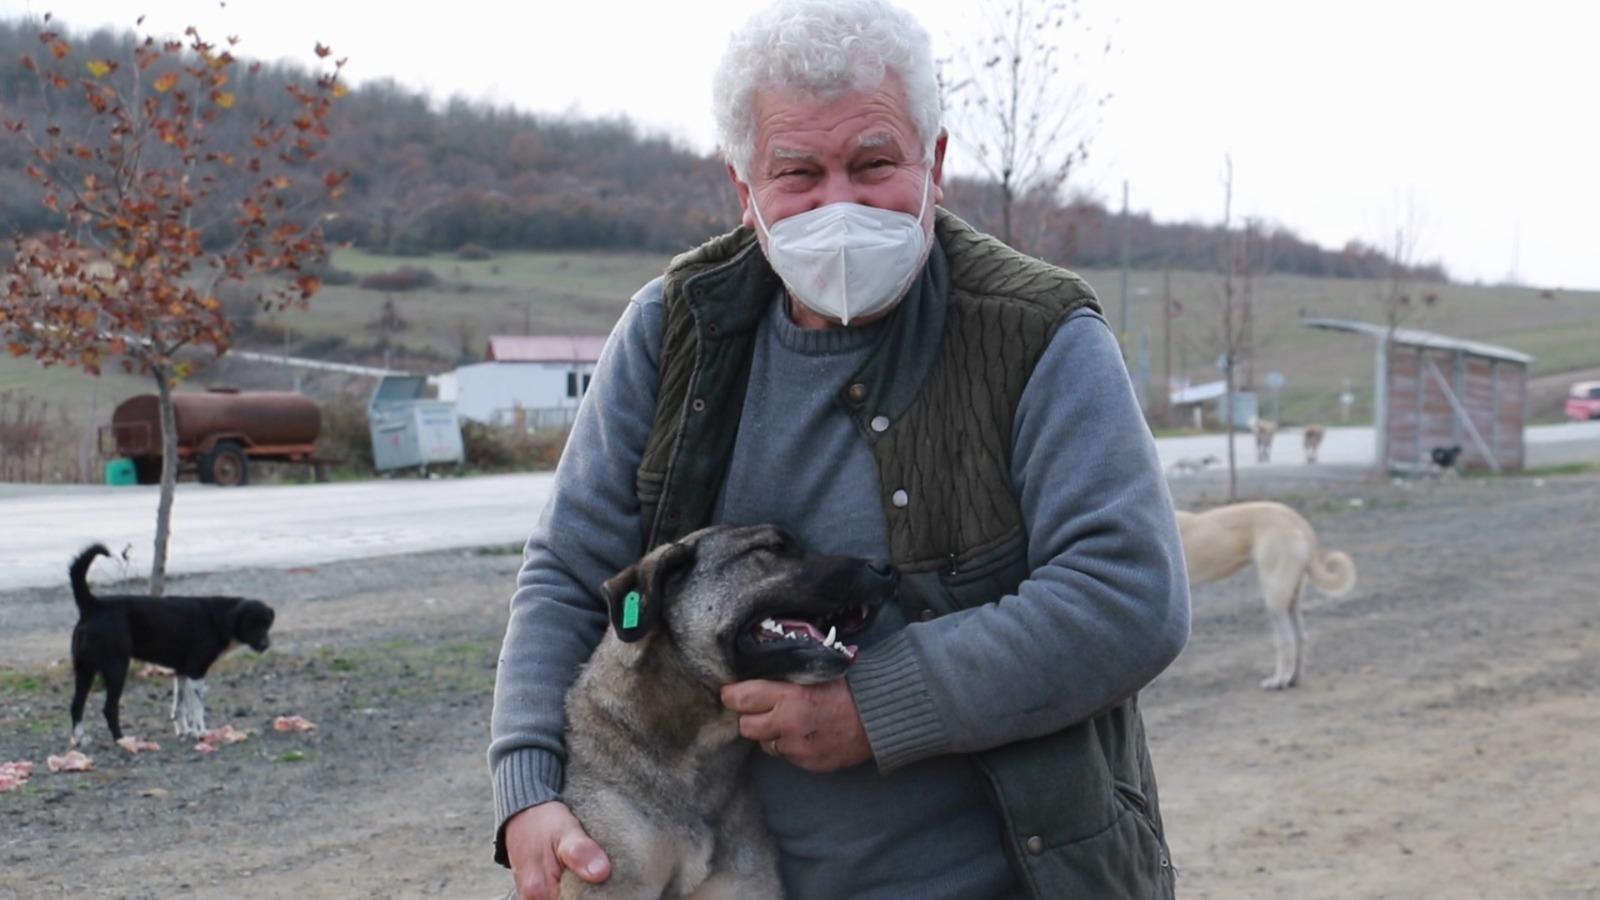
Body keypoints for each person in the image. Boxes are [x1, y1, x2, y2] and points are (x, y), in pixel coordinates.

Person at [487, 1, 1190, 897]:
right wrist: (528, 790)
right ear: (744, 191)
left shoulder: (1041, 335)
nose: (841, 205)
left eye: (873, 163)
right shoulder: (673, 330)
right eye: (797, 173)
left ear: (934, 162)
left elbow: (1128, 595)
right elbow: (569, 573)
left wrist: (880, 704)